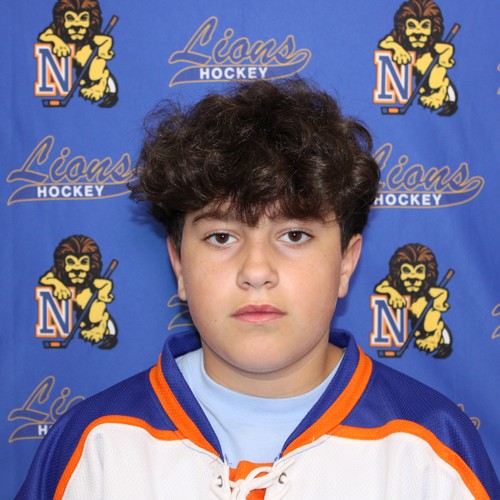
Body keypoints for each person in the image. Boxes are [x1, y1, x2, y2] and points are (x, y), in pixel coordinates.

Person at [17, 78, 498, 499]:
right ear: (180, 264)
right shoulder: (95, 446)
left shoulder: (431, 449)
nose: (256, 270)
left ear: (346, 263)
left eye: (295, 235)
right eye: (221, 237)